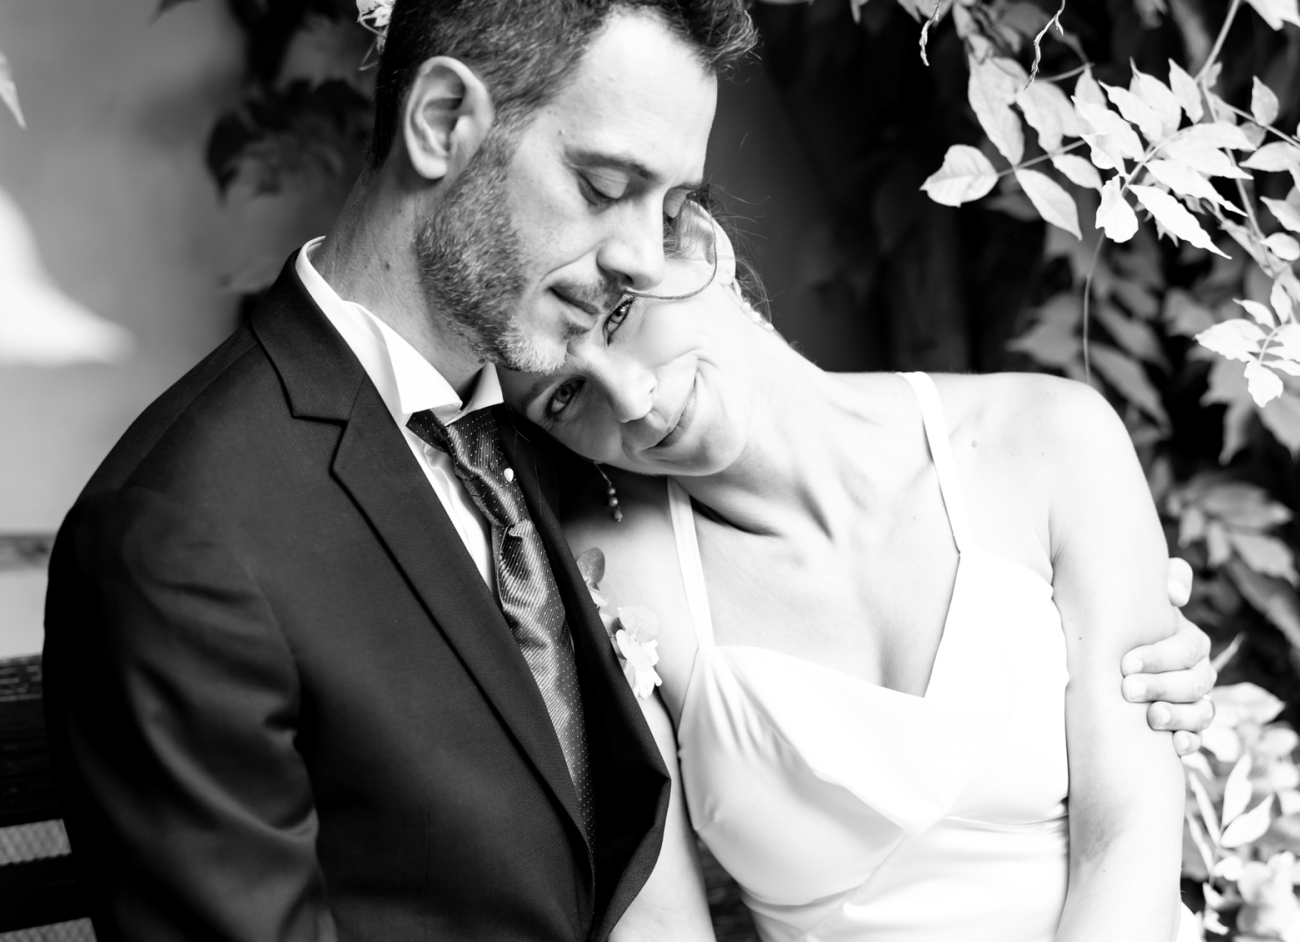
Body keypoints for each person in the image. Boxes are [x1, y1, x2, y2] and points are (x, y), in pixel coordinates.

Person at [44, 0, 1213, 941]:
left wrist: (1118, 639)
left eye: (670, 205)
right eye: (604, 188)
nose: (634, 257)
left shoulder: (507, 451)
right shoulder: (188, 532)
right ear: (443, 121)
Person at [500, 209, 1208, 942]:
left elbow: (1127, 838)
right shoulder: (609, 587)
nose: (631, 399)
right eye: (565, 395)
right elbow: (657, 928)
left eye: (618, 316)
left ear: (704, 245)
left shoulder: (1049, 438)